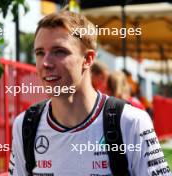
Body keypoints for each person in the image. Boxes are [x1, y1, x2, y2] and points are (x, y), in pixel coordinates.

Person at [9, 8, 172, 176]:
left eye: (59, 51)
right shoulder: (25, 125)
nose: (45, 63)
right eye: (40, 53)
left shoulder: (131, 122)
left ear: (87, 59)